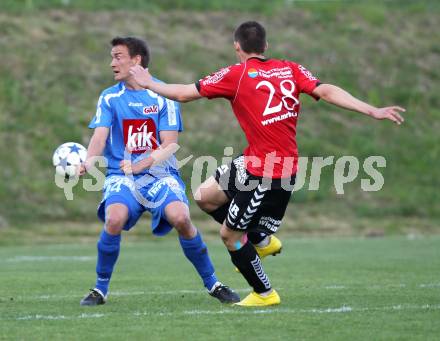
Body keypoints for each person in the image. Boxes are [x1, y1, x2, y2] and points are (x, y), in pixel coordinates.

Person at [128, 21, 405, 307]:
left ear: (237, 47)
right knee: (204, 196)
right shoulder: (290, 69)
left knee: (230, 236)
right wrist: (371, 109)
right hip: (253, 162)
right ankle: (261, 240)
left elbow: (185, 93)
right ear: (265, 47)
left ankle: (264, 293)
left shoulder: (237, 75)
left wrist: (149, 83)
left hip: (270, 174)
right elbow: (326, 91)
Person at [79, 36, 240, 306]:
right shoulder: (109, 97)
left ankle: (213, 283)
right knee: (114, 219)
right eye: (112, 57)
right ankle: (100, 289)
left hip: (160, 175)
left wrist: (140, 165)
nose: (112, 63)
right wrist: (87, 161)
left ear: (137, 60)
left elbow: (170, 145)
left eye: (118, 56)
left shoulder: (163, 95)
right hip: (122, 178)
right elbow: (99, 137)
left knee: (181, 217)